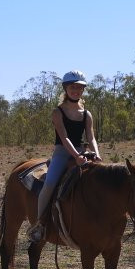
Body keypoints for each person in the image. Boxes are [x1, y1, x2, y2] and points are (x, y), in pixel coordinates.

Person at [26, 70, 102, 242]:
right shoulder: (58, 112)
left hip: (82, 152)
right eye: (72, 87)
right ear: (66, 89)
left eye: (79, 88)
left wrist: (96, 154)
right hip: (63, 153)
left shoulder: (87, 114)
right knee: (50, 183)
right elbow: (64, 137)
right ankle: (39, 224)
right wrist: (76, 156)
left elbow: (91, 137)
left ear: (83, 90)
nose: (76, 90)